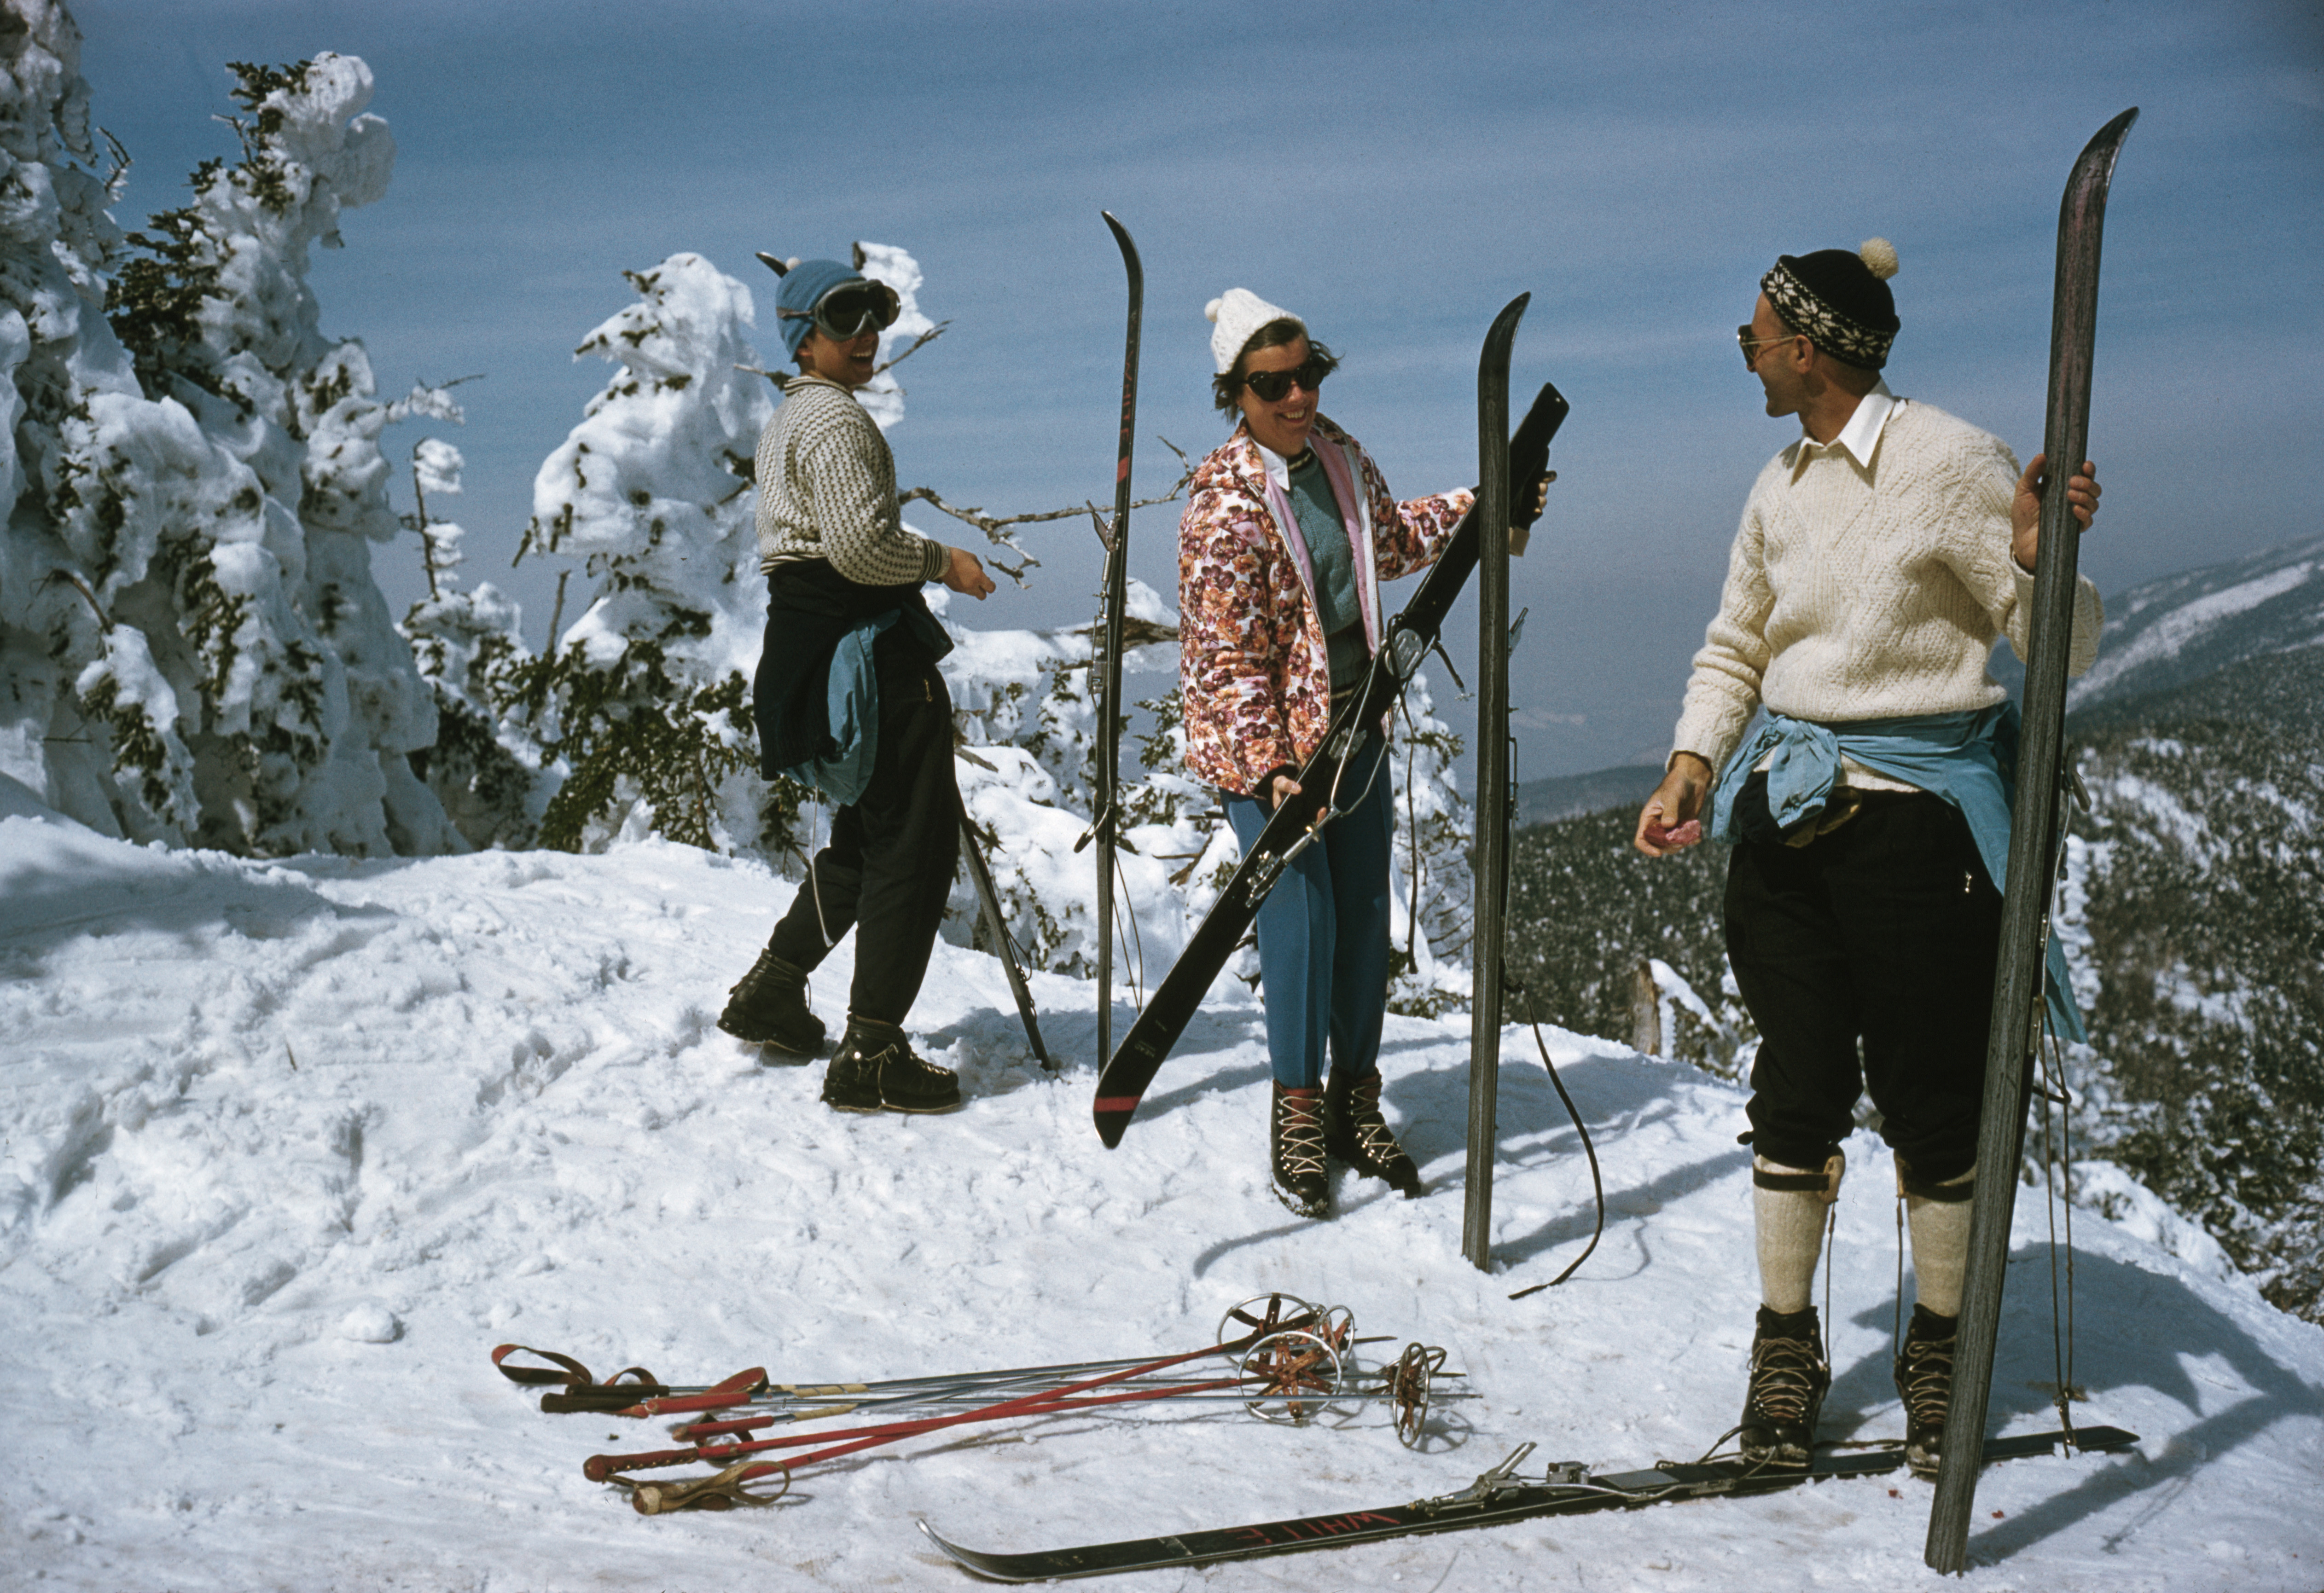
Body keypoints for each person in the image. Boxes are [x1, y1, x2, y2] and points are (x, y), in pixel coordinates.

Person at [1632, 239, 2103, 1476]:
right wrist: (1692, 761)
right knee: (1794, 1085)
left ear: (1810, 346)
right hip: (1784, 821)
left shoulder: (1949, 462)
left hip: (1916, 826)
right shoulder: (1781, 483)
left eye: (1754, 341)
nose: (1749, 359)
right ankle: (1784, 1338)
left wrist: (2045, 556)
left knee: (1931, 1099)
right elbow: (1738, 642)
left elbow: (2055, 647)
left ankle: (1937, 1346)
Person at [1179, 288, 1549, 1219]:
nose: (1298, 397)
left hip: (1358, 717)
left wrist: (1484, 500)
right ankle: (1297, 1110)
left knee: (1357, 917)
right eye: (1274, 385)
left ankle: (1355, 1096)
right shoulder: (1223, 504)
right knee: (1299, 919)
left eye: (1310, 375)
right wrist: (1270, 767)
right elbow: (1226, 660)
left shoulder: (1337, 459)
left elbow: (1387, 539)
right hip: (1269, 743)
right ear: (1238, 393)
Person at [715, 253, 997, 1115]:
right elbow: (861, 551)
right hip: (869, 658)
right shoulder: (834, 423)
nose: (868, 334)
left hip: (818, 653)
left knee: (869, 839)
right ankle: (872, 1049)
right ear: (805, 337)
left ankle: (774, 987)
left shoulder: (791, 422)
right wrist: (944, 559)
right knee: (912, 848)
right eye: (846, 317)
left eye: (875, 314)